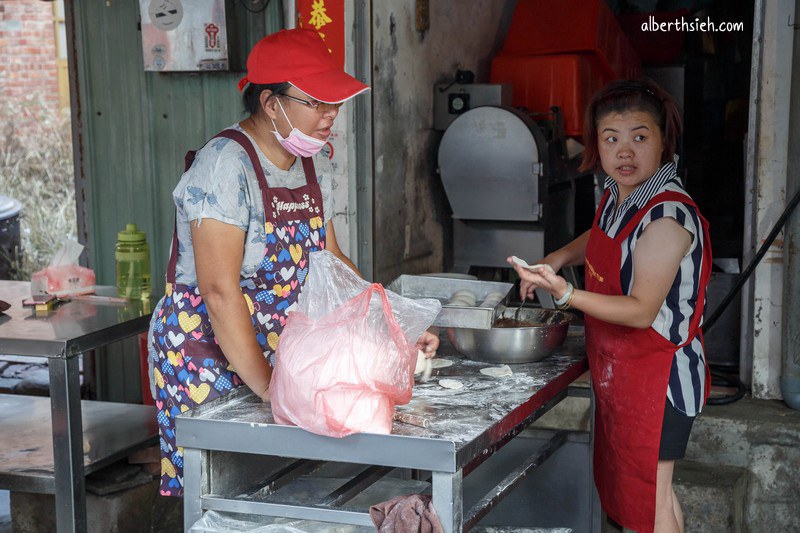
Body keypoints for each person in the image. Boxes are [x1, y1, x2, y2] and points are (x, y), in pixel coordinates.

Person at [148, 29, 439, 497]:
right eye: (317, 102)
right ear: (270, 103)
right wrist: (269, 389)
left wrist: (391, 326)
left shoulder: (305, 159)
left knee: (275, 492)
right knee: (220, 495)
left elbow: (330, 258)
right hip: (208, 351)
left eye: (335, 103)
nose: (330, 116)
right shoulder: (224, 166)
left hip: (279, 351)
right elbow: (220, 292)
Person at [508, 79, 711, 533]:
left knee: (649, 505)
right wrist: (557, 257)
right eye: (611, 138)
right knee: (650, 495)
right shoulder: (618, 196)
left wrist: (565, 293)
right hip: (624, 372)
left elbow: (640, 310)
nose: (624, 152)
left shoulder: (668, 214)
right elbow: (602, 239)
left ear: (663, 142)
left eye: (640, 137)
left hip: (660, 382)